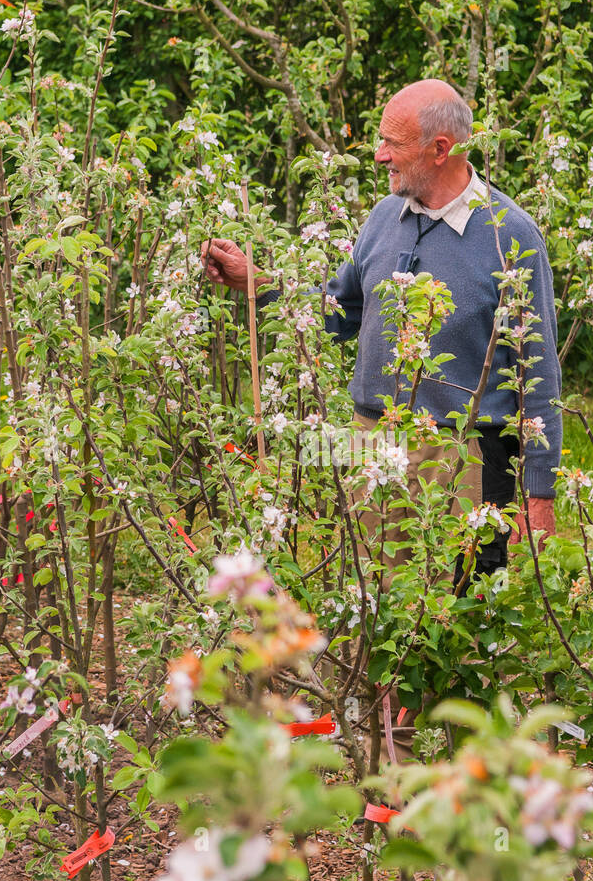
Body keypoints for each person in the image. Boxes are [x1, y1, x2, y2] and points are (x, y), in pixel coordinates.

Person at [200, 78, 562, 578]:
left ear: (440, 149)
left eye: (391, 143)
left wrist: (539, 495)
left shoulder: (510, 234)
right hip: (370, 443)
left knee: (453, 617)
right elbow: (339, 312)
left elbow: (538, 375)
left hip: (461, 456)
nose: (377, 156)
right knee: (370, 605)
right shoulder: (384, 218)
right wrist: (255, 280)